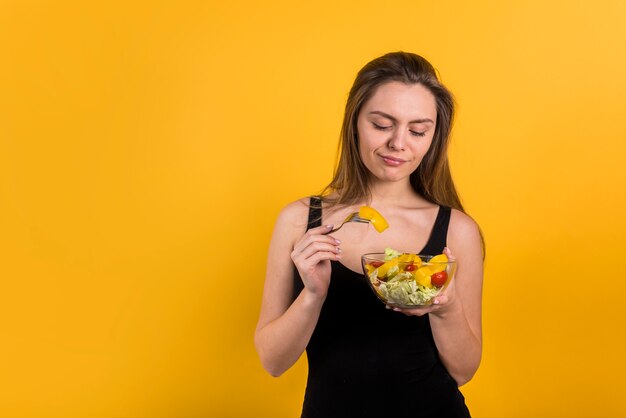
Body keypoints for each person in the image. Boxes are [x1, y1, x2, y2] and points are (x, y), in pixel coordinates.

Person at [254, 51, 484, 418]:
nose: (399, 142)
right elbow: (273, 361)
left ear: (433, 137)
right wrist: (313, 295)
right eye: (381, 124)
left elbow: (463, 371)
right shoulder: (299, 220)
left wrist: (447, 308)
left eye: (418, 130)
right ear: (354, 122)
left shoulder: (457, 230)